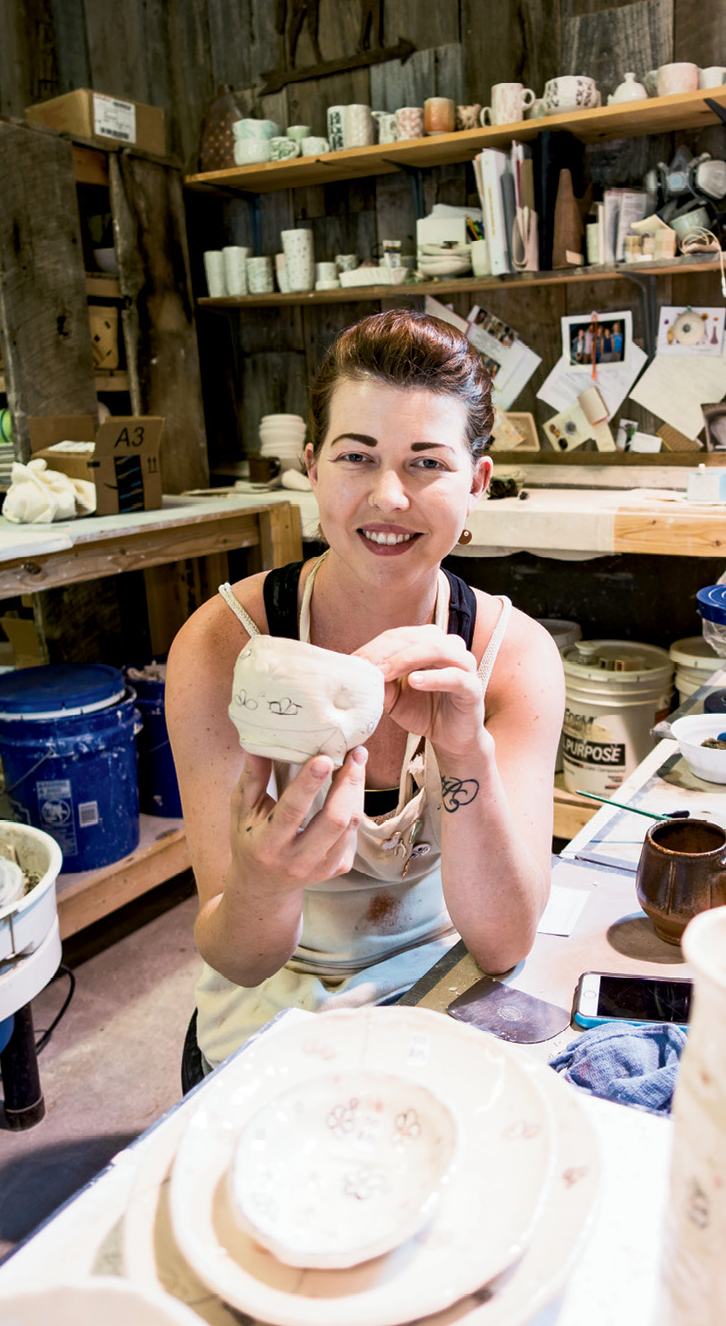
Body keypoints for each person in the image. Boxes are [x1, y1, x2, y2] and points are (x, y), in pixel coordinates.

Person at [166, 310, 565, 1071]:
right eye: (357, 457)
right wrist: (263, 877)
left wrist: (464, 754)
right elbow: (238, 957)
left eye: (426, 463)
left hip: (441, 989)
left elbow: (503, 941)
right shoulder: (226, 647)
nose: (388, 496)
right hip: (270, 1007)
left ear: (475, 482)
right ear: (312, 468)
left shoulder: (510, 657)